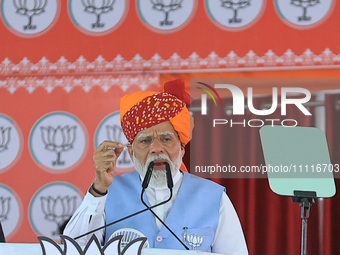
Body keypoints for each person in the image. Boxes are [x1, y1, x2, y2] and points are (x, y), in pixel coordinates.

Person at [64, 79, 248, 254]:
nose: (156, 148)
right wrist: (99, 189)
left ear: (182, 148)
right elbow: (72, 248)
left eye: (166, 139)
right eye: (145, 141)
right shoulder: (108, 192)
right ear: (131, 152)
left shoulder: (213, 197)